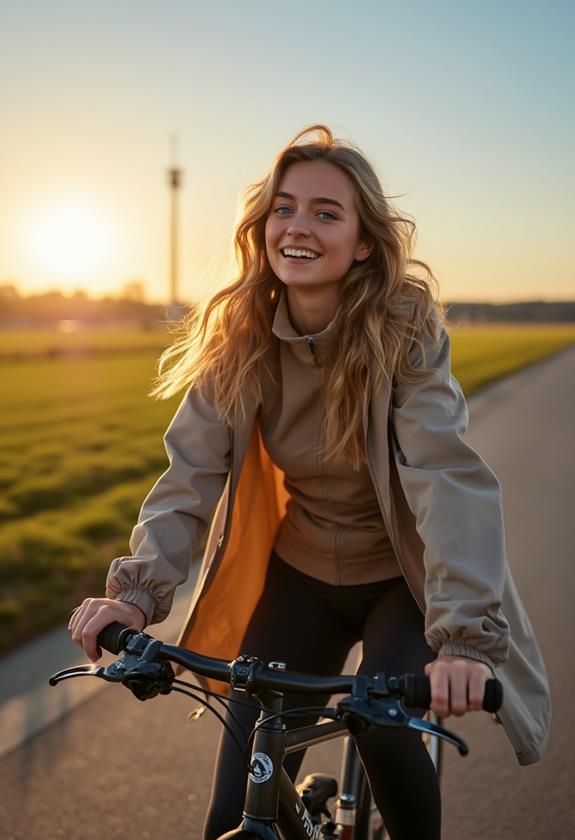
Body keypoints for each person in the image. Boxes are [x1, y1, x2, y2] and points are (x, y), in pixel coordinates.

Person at [69, 124, 550, 839]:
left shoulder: (404, 332)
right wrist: (135, 596)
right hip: (300, 578)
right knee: (233, 809)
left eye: (325, 212)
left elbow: (445, 479)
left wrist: (463, 642)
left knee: (379, 724)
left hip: (401, 583)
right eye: (284, 207)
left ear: (362, 242)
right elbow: (190, 472)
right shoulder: (240, 338)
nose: (297, 226)